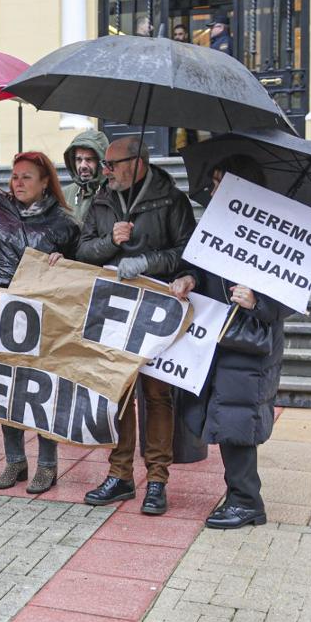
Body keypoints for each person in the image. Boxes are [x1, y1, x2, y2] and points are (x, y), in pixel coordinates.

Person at [76, 136, 197, 515]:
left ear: (138, 162)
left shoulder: (171, 201)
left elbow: (187, 252)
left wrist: (147, 262)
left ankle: (157, 480)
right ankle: (120, 475)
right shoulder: (101, 200)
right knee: (119, 394)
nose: (106, 171)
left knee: (157, 396)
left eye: (113, 164)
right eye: (105, 165)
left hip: (158, 311)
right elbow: (83, 250)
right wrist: (110, 243)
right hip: (114, 312)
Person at [170, 156, 292, 529]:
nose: (214, 188)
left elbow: (290, 292)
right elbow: (194, 265)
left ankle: (246, 502)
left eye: (223, 181)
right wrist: (188, 278)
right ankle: (240, 497)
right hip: (216, 339)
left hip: (250, 344)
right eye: (214, 181)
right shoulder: (211, 225)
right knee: (222, 417)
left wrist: (259, 301)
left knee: (237, 422)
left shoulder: (273, 233)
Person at [0, 152, 79, 494]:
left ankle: (48, 465)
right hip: (2, 311)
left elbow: (82, 267)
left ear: (44, 183)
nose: (17, 183)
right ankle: (15, 460)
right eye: (14, 176)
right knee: (5, 388)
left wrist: (65, 262)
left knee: (40, 389)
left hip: (42, 317)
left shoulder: (64, 223)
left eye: (26, 177)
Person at [61, 128, 109, 224]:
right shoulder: (64, 194)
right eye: (78, 159)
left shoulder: (112, 193)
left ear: (101, 162)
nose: (83, 166)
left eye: (89, 159)